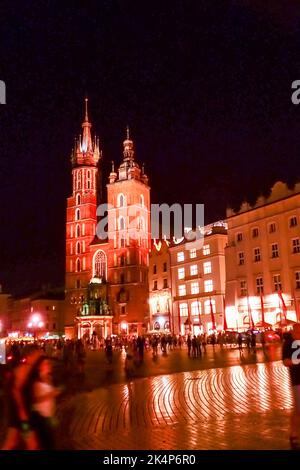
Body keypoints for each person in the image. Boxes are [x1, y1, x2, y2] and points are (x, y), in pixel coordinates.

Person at [1, 349, 42, 450]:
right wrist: (22, 412)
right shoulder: (24, 370)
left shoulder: (30, 370)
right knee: (31, 444)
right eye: (37, 357)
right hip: (20, 415)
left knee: (12, 442)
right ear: (29, 357)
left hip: (20, 414)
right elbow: (16, 391)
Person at [31, 356, 62, 449]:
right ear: (39, 367)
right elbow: (35, 399)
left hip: (49, 416)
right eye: (46, 364)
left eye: (49, 363)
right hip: (40, 418)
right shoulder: (36, 381)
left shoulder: (49, 377)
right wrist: (51, 394)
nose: (49, 365)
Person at [282, 323, 300, 450]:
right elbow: (285, 361)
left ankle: (294, 435)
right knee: (298, 410)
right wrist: (296, 362)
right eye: (298, 331)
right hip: (297, 380)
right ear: (293, 331)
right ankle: (294, 435)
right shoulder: (289, 344)